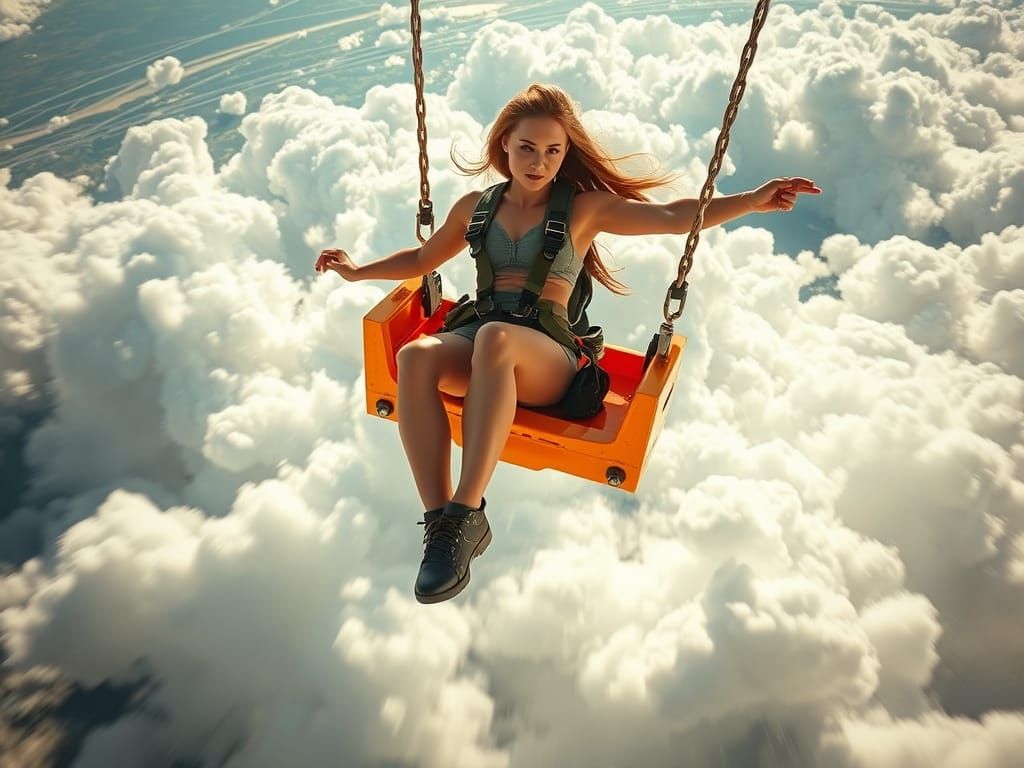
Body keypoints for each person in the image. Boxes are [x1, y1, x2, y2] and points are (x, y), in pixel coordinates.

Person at [315, 83, 821, 604]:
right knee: (415, 356)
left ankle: (468, 512)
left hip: (547, 356)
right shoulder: (475, 208)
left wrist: (751, 201)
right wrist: (356, 273)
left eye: (553, 151)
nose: (539, 162)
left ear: (565, 154)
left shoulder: (585, 210)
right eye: (527, 148)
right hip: (483, 338)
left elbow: (674, 216)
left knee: (496, 339)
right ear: (505, 146)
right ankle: (442, 526)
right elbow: (422, 261)